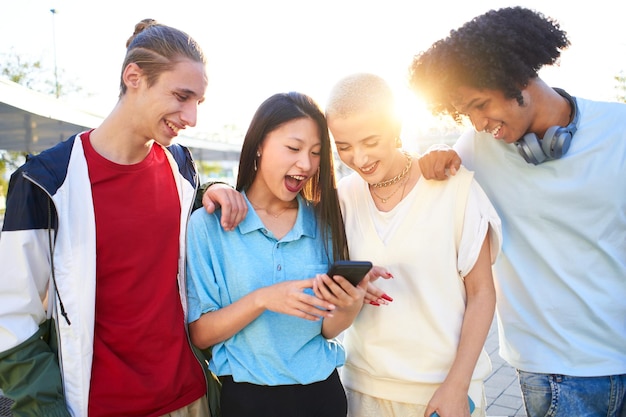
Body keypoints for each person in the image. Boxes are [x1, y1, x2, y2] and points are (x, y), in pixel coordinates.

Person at [0, 19, 242, 417]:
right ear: (134, 77)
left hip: (192, 399)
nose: (192, 117)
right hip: (98, 407)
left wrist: (211, 188)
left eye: (198, 102)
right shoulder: (44, 183)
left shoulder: (182, 169)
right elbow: (11, 318)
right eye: (182, 96)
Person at [409, 6, 626, 417]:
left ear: (518, 78)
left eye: (480, 104)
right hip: (554, 374)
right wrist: (433, 158)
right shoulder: (474, 150)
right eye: (464, 113)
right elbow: (406, 186)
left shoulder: (620, 129)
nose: (475, 123)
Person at [186, 91, 379, 417]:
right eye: (293, 148)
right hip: (246, 402)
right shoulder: (210, 224)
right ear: (259, 144)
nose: (305, 164)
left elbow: (329, 330)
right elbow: (200, 332)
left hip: (322, 396)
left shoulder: (325, 223)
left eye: (316, 153)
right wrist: (263, 298)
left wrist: (350, 303)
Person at [319, 73, 501, 417]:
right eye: (343, 146)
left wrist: (456, 386)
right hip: (363, 389)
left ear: (396, 124)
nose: (358, 158)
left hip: (443, 393)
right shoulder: (343, 197)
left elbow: (482, 293)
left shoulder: (455, 188)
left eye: (370, 141)